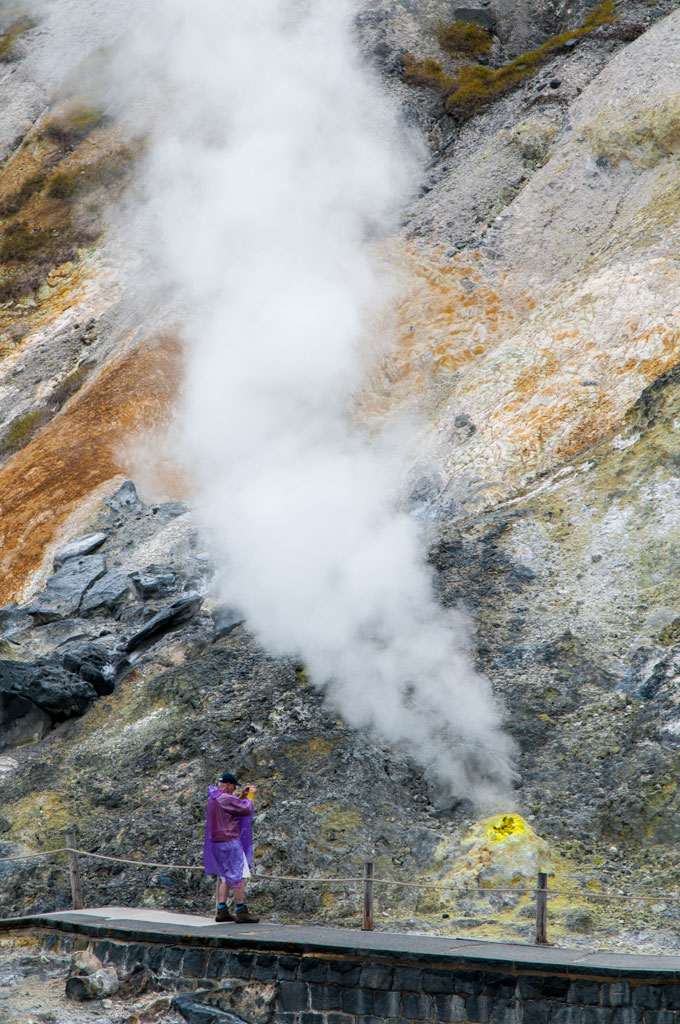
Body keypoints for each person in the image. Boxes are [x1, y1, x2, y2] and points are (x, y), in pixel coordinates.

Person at [203, 770, 260, 923]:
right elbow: (246, 809)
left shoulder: (213, 797)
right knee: (240, 875)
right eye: (234, 786)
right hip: (230, 841)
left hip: (217, 843)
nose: (235, 789)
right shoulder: (225, 797)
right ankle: (241, 910)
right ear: (228, 785)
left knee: (225, 877)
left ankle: (222, 909)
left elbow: (233, 806)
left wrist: (242, 796)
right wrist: (250, 795)